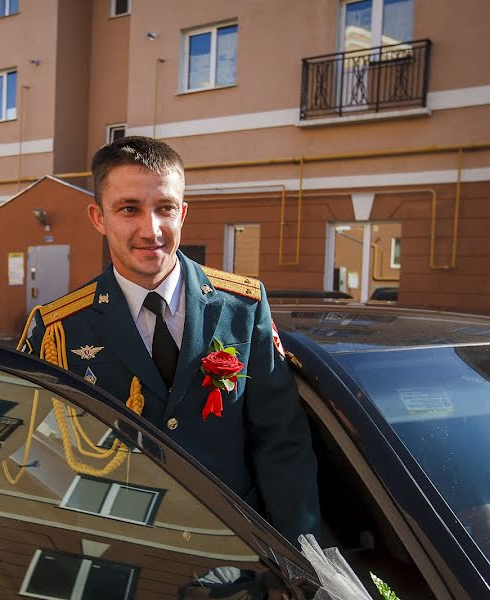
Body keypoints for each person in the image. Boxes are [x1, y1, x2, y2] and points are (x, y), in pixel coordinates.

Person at [21, 136, 320, 544]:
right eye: (129, 209)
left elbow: (282, 443)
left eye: (165, 209)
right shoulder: (58, 327)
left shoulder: (242, 307)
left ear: (182, 212)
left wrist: (300, 558)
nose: (152, 230)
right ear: (98, 217)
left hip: (231, 551)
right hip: (115, 549)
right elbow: (34, 451)